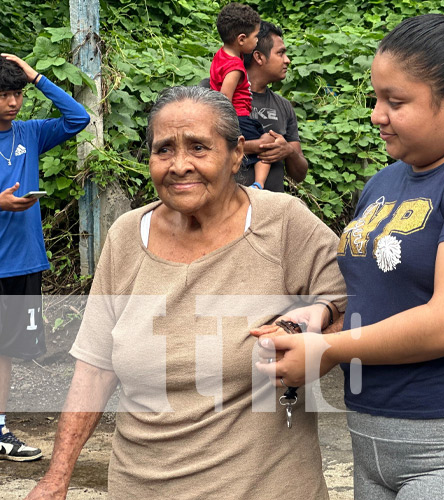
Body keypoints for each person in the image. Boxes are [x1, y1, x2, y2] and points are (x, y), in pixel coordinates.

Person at [254, 13, 444, 500]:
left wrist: (326, 351)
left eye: (396, 101)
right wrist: (323, 317)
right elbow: (384, 297)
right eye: (376, 98)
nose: (376, 115)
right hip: (373, 444)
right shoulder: (385, 183)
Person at [25, 86, 345, 499]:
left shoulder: (282, 223)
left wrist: (320, 345)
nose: (179, 166)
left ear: (236, 154)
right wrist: (57, 478)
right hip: (139, 485)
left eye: (198, 147)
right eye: (163, 150)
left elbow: (356, 304)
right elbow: (95, 366)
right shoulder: (126, 236)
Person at [0, 54, 89, 462]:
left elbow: (78, 119)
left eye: (16, 93)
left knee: (6, 351)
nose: (12, 102)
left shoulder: (30, 133)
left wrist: (36, 76)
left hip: (23, 261)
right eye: (3, 94)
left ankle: (0, 429)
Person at [241, 21, 308, 192]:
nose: (287, 60)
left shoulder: (284, 107)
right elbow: (202, 148)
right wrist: (257, 146)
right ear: (259, 57)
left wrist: (288, 151)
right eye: (281, 53)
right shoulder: (218, 94)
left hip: (271, 212)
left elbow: (299, 175)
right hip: (223, 210)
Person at [210, 2, 270, 190]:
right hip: (238, 117)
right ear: (242, 39)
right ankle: (258, 184)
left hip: (234, 117)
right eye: (255, 37)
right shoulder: (235, 67)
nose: (257, 41)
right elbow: (225, 99)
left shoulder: (220, 55)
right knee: (267, 146)